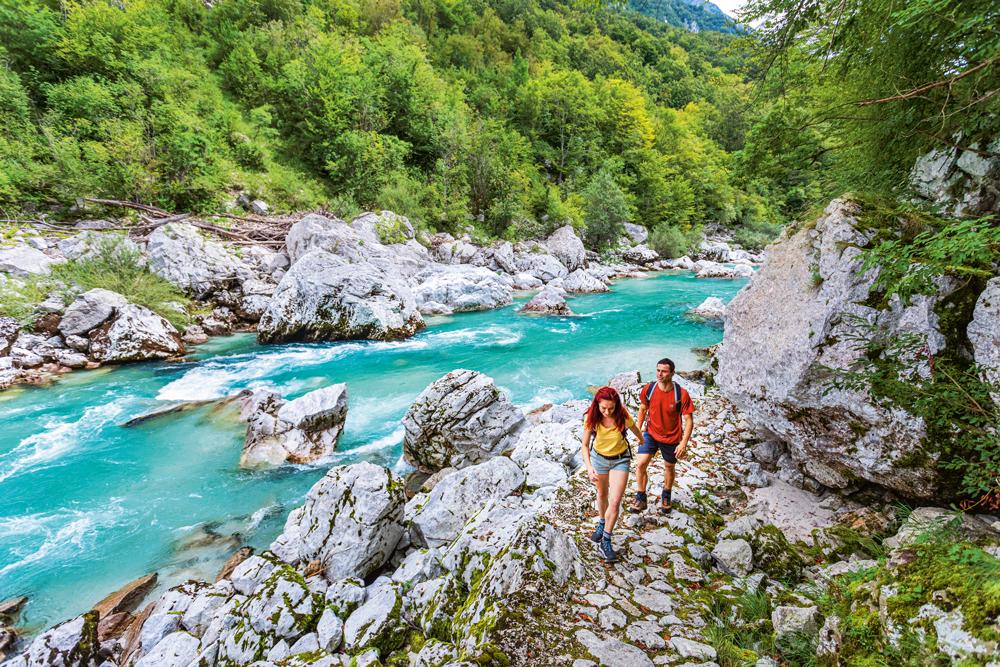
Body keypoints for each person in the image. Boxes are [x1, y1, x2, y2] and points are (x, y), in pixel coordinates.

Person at [581, 386, 644, 563]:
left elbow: (635, 429)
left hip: (620, 460)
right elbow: (584, 445)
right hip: (598, 459)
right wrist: (589, 467)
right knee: (602, 494)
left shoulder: (622, 415)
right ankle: (602, 522)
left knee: (615, 501)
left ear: (616, 405)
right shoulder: (591, 417)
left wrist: (641, 439)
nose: (607, 412)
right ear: (597, 405)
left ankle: (606, 540)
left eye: (611, 408)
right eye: (604, 408)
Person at [628, 357, 694, 515]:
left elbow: (689, 420)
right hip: (650, 433)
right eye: (658, 370)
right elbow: (643, 409)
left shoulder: (681, 394)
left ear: (672, 373)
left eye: (664, 371)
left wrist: (683, 443)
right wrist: (639, 430)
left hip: (671, 438)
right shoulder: (649, 389)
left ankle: (666, 495)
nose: (659, 374)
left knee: (669, 467)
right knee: (641, 464)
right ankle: (641, 497)